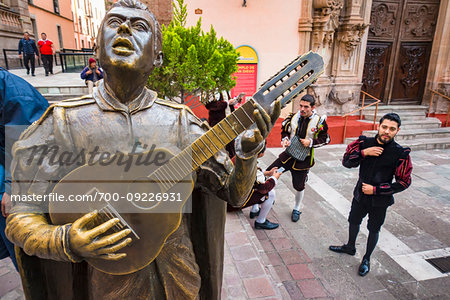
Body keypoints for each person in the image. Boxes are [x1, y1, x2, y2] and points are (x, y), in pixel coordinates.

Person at [6, 1, 280, 299]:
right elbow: (21, 217)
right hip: (108, 284)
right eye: (114, 23)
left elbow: (234, 195)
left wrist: (247, 156)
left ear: (157, 57)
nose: (124, 28)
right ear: (96, 49)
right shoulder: (61, 123)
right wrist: (65, 239)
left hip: (180, 279)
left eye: (139, 27)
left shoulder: (181, 122)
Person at [329, 113, 412, 277]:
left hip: (380, 200)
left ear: (397, 131)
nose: (387, 131)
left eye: (392, 129)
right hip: (360, 195)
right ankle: (350, 246)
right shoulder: (363, 143)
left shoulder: (400, 153)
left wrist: (376, 190)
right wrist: (364, 153)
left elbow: (404, 182)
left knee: (374, 228)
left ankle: (366, 259)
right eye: (384, 127)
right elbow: (346, 162)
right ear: (378, 126)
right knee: (353, 220)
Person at [0, 67, 49, 270]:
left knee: (26, 258)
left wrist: (12, 189)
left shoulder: (14, 91)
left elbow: (33, 143)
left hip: (10, 190)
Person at [266, 94, 329, 222]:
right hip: (288, 156)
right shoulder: (293, 117)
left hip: (303, 160)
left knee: (299, 186)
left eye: (306, 107)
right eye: (301, 106)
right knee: (269, 173)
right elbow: (285, 131)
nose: (302, 109)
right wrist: (285, 140)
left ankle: (296, 207)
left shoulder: (319, 122)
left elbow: (326, 139)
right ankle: (264, 200)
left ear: (312, 107)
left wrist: (310, 142)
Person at [228, 142, 280, 230]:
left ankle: (255, 210)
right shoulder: (250, 166)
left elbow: (255, 174)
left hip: (227, 195)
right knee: (271, 193)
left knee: (255, 185)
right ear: (261, 153)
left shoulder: (241, 156)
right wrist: (274, 178)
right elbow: (264, 188)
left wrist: (267, 173)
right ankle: (261, 221)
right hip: (232, 203)